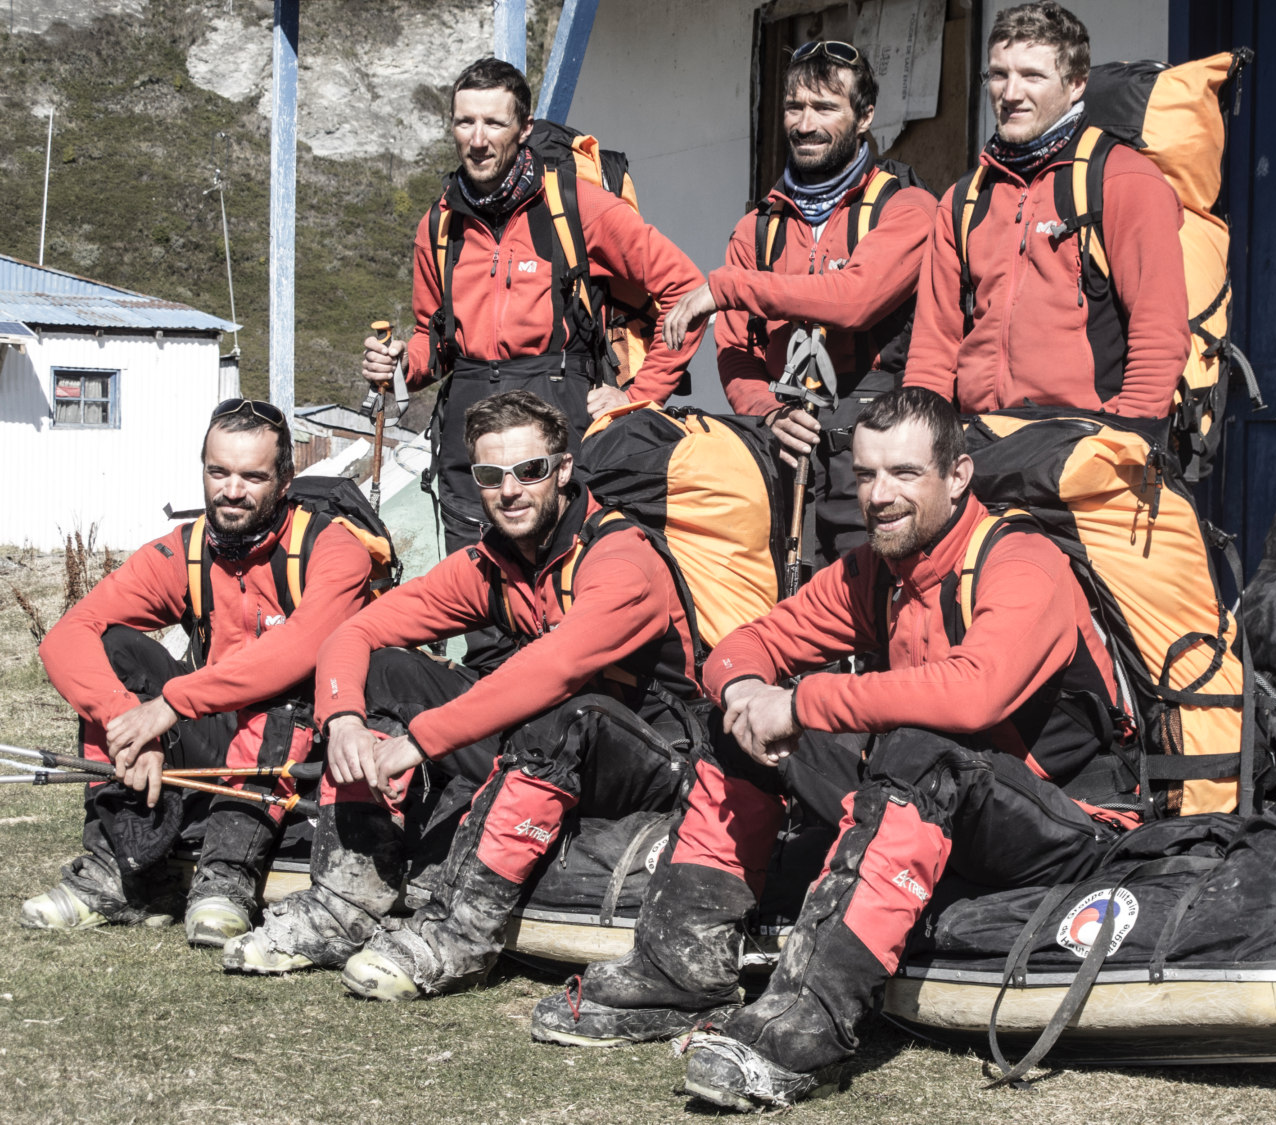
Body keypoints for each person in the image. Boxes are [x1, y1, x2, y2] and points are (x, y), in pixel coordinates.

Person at [529, 386, 1138, 1109]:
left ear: (959, 476)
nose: (880, 495)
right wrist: (748, 696)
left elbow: (973, 695)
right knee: (737, 727)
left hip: (1071, 824)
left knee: (914, 745)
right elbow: (738, 648)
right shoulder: (873, 570)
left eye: (906, 474)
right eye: (867, 475)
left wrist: (801, 700)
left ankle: (805, 1020)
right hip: (949, 801)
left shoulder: (1018, 560)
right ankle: (679, 967)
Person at [225, 391, 703, 999]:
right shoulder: (491, 563)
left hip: (652, 760)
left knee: (559, 704)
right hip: (548, 747)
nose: (511, 491)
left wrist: (418, 743)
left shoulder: (619, 558)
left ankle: (458, 936)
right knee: (387, 670)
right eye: (490, 475)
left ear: (562, 470)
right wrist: (342, 717)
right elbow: (356, 631)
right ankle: (345, 903)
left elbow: (554, 669)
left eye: (530, 472)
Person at [361, 57, 707, 673]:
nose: (477, 137)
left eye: (494, 122)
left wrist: (642, 392)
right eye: (464, 122)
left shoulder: (580, 207)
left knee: (567, 589)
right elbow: (432, 341)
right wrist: (395, 367)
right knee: (481, 598)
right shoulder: (438, 225)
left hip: (559, 411)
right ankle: (489, 739)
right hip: (468, 419)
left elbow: (685, 290)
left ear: (523, 129)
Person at [24, 400, 373, 947]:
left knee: (284, 688)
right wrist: (131, 723)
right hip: (214, 737)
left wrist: (170, 706)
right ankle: (117, 869)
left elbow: (298, 651)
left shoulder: (333, 549)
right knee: (113, 648)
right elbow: (67, 636)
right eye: (219, 472)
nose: (231, 491)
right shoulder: (183, 551)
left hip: (305, 756)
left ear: (285, 480)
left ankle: (228, 875)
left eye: (252, 476)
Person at [664, 40, 936, 567]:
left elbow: (855, 300)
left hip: (883, 453)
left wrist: (727, 287)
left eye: (826, 107)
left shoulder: (906, 207)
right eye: (795, 107)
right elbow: (735, 349)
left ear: (865, 116)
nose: (805, 124)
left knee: (881, 616)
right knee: (795, 619)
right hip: (785, 455)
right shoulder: (757, 229)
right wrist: (766, 413)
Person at [904, 2, 1189, 418]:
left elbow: (1160, 334)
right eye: (999, 74)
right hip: (978, 444)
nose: (1010, 93)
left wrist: (1126, 440)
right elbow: (933, 350)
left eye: (1032, 76)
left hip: (1086, 446)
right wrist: (921, 442)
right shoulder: (963, 199)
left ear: (1076, 83)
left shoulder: (1122, 180)